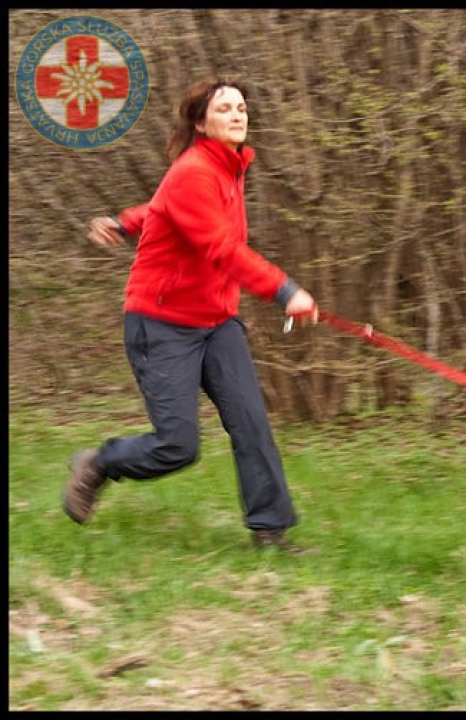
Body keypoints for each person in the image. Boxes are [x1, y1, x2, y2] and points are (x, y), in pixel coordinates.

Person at [63, 76, 318, 552]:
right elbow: (221, 247)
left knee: (251, 423)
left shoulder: (228, 167)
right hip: (162, 324)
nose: (237, 115)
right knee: (177, 446)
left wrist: (125, 221)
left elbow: (164, 207)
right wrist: (284, 290)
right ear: (201, 124)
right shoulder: (195, 171)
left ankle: (269, 531)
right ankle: (99, 463)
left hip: (216, 321)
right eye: (224, 109)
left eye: (241, 108)